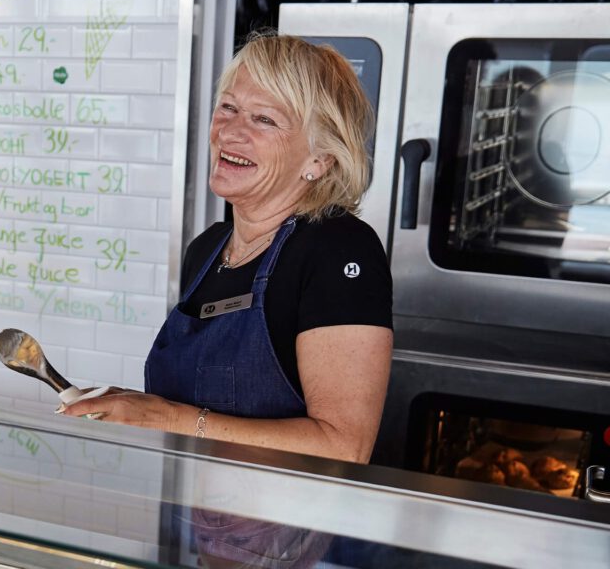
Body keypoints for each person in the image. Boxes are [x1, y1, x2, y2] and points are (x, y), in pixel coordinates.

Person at [62, 31, 393, 464]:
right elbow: (185, 409)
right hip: (191, 518)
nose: (231, 131)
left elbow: (343, 447)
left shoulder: (339, 251)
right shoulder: (206, 250)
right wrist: (129, 408)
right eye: (229, 108)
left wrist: (168, 418)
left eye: (264, 120)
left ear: (320, 159)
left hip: (286, 529)